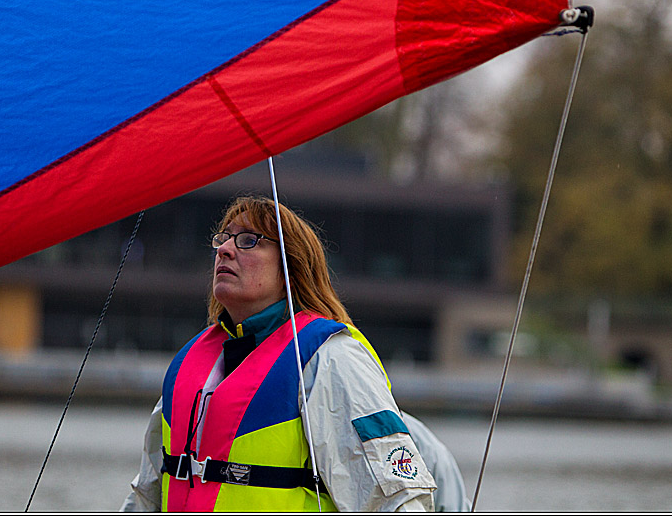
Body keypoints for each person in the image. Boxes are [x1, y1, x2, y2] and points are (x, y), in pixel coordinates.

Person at [122, 196, 437, 512]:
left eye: (248, 241)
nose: (225, 250)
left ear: (292, 264)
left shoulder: (330, 358)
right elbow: (146, 495)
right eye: (223, 238)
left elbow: (395, 500)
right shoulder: (190, 364)